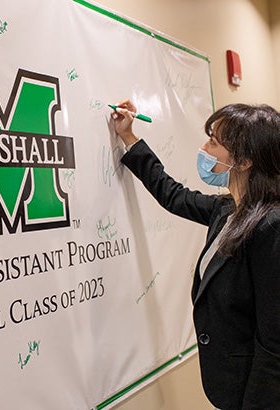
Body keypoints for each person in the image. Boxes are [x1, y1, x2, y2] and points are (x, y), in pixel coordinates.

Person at [111, 100, 280, 410]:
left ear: (244, 161)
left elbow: (275, 342)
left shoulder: (270, 226)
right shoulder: (229, 210)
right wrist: (129, 138)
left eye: (213, 142)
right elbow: (172, 195)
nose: (204, 148)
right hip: (229, 388)